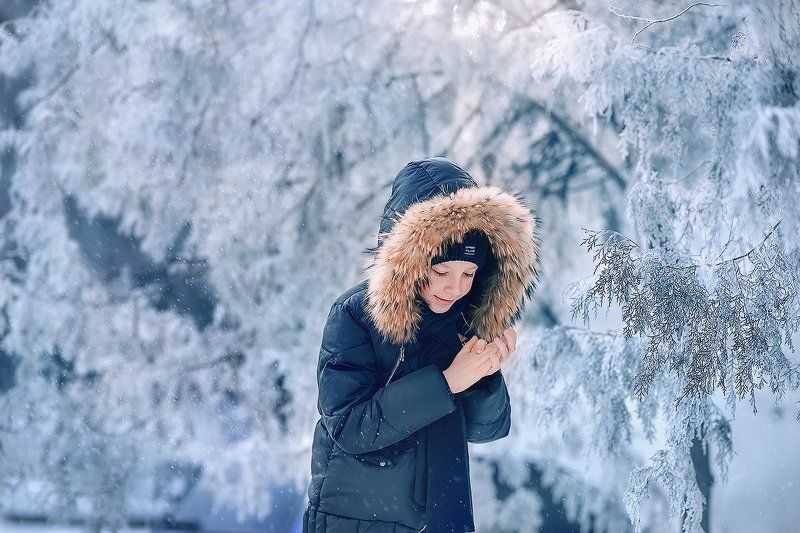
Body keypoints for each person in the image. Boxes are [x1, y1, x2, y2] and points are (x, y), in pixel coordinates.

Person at [303, 157, 541, 532]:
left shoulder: (464, 320)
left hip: (438, 517)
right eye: (441, 271)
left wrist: (484, 373)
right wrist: (445, 383)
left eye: (468, 273)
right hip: (358, 520)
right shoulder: (355, 315)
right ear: (410, 262)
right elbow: (348, 425)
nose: (455, 287)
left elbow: (487, 429)